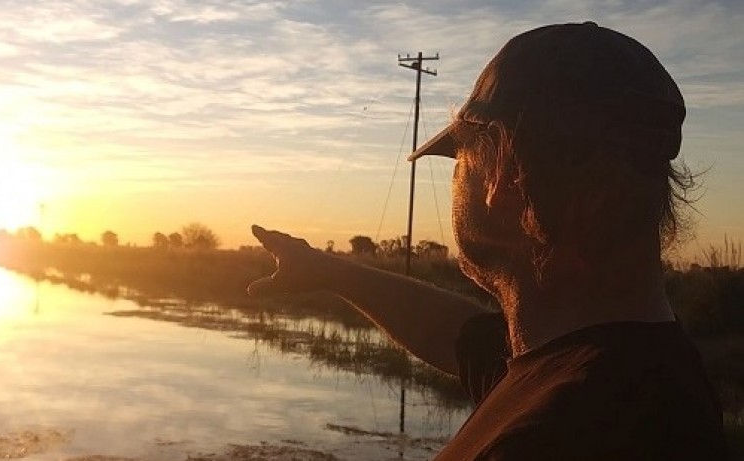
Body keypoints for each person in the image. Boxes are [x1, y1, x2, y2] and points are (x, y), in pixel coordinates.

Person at [247, 22, 726, 460]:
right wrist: (327, 270)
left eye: (460, 157)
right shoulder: (607, 368)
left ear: (502, 170)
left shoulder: (560, 434)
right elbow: (457, 334)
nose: (456, 178)